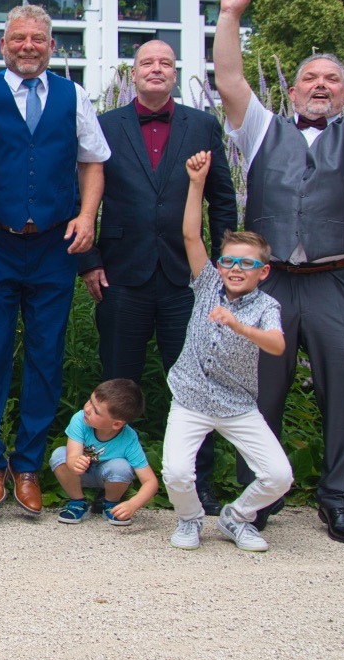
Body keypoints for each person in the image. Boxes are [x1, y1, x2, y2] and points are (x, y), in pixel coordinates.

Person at [209, 0, 344, 544]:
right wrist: (229, 15)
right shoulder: (260, 129)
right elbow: (228, 79)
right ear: (292, 89)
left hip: (340, 282)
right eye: (310, 79)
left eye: (331, 80)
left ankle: (340, 499)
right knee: (258, 392)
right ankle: (256, 499)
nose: (320, 86)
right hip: (269, 284)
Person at [0, 4, 110, 517]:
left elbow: (93, 162)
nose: (27, 46)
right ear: (3, 45)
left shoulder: (73, 97)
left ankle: (28, 464)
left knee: (46, 355)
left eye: (37, 38)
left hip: (55, 246)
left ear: (51, 46)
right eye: (18, 39)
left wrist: (87, 216)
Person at [74, 37, 238, 514]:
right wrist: (88, 260)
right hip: (119, 276)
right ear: (134, 72)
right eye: (148, 62)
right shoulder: (106, 126)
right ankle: (111, 481)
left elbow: (223, 198)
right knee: (115, 385)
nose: (157, 70)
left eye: (166, 63)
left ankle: (196, 482)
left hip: (186, 282)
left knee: (193, 383)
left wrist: (225, 268)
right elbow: (82, 193)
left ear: (174, 72)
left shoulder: (203, 124)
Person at [160, 151, 292, 552]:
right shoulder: (207, 284)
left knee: (278, 475)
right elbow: (189, 236)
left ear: (263, 271)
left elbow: (277, 345)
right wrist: (196, 183)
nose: (236, 269)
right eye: (229, 261)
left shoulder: (266, 306)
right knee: (177, 472)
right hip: (191, 397)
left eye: (247, 264)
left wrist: (236, 324)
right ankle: (189, 519)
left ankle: (237, 516)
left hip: (237, 404)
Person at [49, 378, 159, 525]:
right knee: (59, 455)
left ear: (117, 424)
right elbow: (72, 455)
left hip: (108, 476)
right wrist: (75, 461)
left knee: (122, 467)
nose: (87, 409)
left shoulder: (129, 438)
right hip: (79, 473)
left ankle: (111, 504)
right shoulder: (80, 419)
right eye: (90, 401)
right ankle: (77, 502)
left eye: (96, 411)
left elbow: (150, 481)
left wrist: (133, 504)